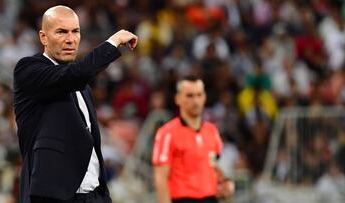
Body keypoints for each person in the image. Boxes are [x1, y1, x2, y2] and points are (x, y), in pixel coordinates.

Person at [13, 5, 138, 203]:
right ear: (43, 37)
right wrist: (113, 42)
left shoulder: (83, 87)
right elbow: (76, 74)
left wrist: (103, 196)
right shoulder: (28, 70)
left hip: (94, 195)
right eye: (61, 32)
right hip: (54, 196)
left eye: (75, 31)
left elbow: (93, 145)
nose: (70, 39)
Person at [152, 76, 235, 203]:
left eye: (199, 95)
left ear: (204, 97)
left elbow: (212, 164)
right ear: (178, 99)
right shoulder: (167, 133)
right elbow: (161, 178)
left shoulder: (211, 131)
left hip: (211, 199)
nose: (195, 101)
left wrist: (225, 182)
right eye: (189, 96)